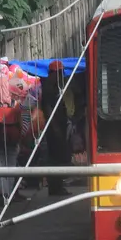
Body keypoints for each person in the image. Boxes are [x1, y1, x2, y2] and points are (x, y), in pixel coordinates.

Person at [42, 60, 72, 196]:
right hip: (54, 130)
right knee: (55, 158)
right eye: (59, 73)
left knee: (60, 157)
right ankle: (55, 187)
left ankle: (58, 185)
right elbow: (49, 111)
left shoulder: (56, 87)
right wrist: (56, 129)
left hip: (59, 127)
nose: (61, 76)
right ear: (53, 73)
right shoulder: (48, 89)